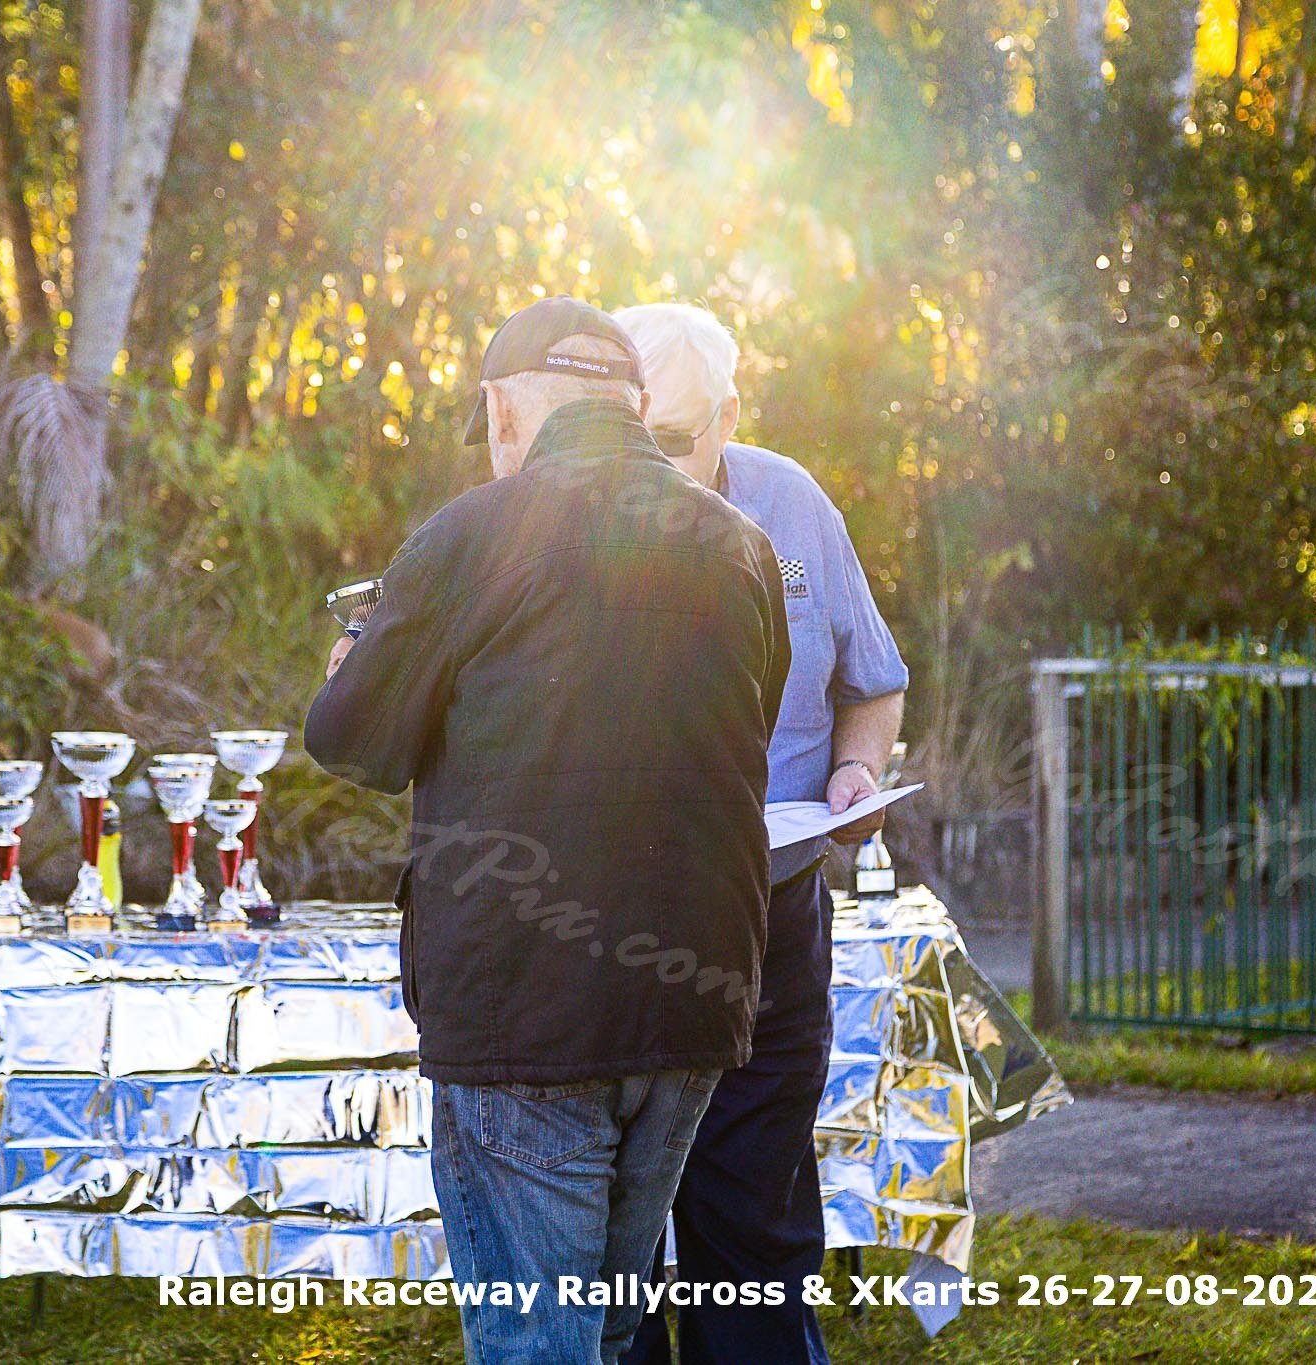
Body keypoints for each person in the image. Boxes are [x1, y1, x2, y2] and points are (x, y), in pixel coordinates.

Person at [304, 296, 791, 1364]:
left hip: (522, 1004)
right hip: (692, 1004)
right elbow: (737, 729)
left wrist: (353, 669)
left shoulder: (471, 533)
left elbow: (353, 744)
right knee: (611, 1325)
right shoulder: (741, 547)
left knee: (538, 1337)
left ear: (505, 410)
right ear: (630, 406)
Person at [611, 302, 909, 1365]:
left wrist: (852, 771)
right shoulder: (562, 522)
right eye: (636, 438)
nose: (659, 465)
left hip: (772, 916)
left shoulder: (793, 505)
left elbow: (871, 685)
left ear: (730, 414)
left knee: (755, 1238)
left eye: (680, 438)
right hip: (612, 926)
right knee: (618, 1253)